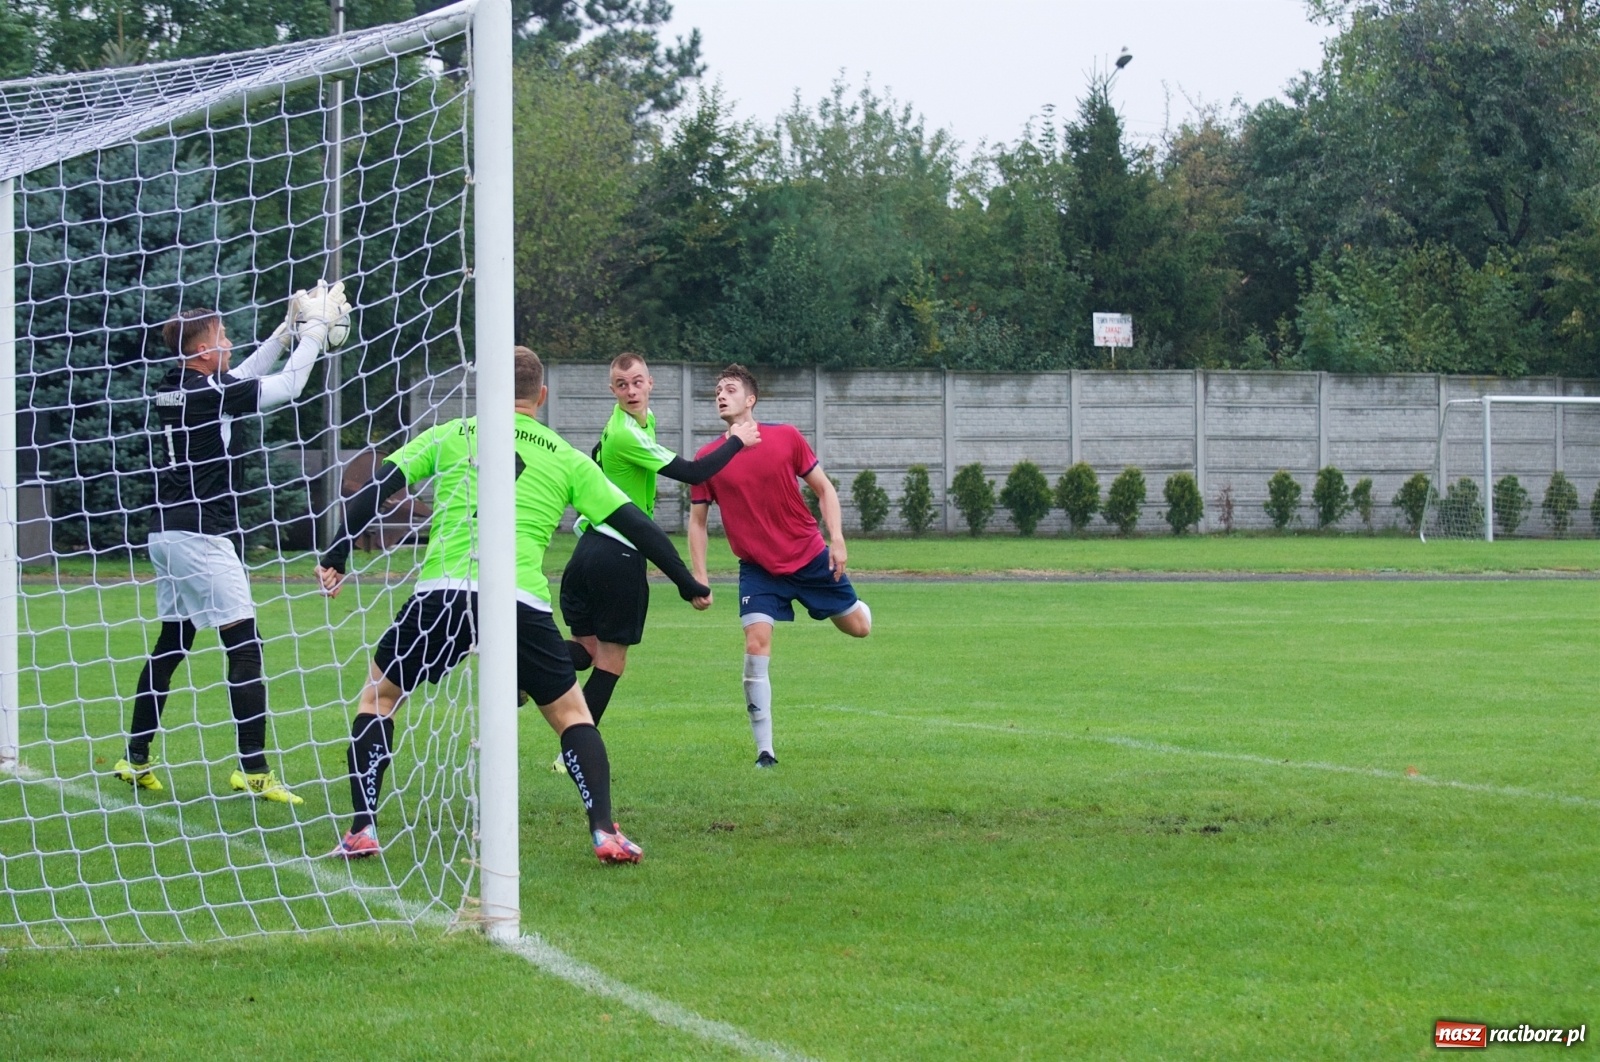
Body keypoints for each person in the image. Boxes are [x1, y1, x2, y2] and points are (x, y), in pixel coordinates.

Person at [316, 347, 710, 863]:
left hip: (443, 593)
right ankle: (603, 831)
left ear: (491, 391)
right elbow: (636, 521)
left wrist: (336, 552)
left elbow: (376, 488)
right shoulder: (565, 455)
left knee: (379, 699)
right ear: (541, 396)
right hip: (520, 600)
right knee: (573, 716)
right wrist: (686, 582)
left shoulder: (453, 434)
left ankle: (363, 828)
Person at [115, 281, 351, 803]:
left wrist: (285, 331)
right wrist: (312, 334)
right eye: (222, 336)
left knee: (172, 643)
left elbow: (241, 375)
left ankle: (134, 758)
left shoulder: (177, 386)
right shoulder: (210, 391)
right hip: (201, 535)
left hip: (166, 532)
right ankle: (254, 769)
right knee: (245, 646)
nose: (228, 343)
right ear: (202, 350)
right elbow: (285, 387)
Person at [552, 352, 759, 769]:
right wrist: (737, 439)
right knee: (612, 660)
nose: (630, 390)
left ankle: (520, 662)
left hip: (586, 551)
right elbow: (694, 473)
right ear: (612, 390)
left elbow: (598, 456)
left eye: (636, 382)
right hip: (616, 553)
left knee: (586, 650)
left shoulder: (632, 425)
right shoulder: (627, 433)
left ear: (650, 383)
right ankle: (569, 755)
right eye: (622, 384)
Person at [688, 364, 871, 767]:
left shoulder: (786, 436)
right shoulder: (706, 459)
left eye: (730, 389)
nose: (720, 395)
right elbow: (698, 523)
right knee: (756, 643)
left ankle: (841, 605)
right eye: (717, 390)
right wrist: (698, 574)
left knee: (860, 628)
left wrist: (837, 540)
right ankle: (765, 752)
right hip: (758, 569)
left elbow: (824, 489)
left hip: (809, 557)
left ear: (750, 399)